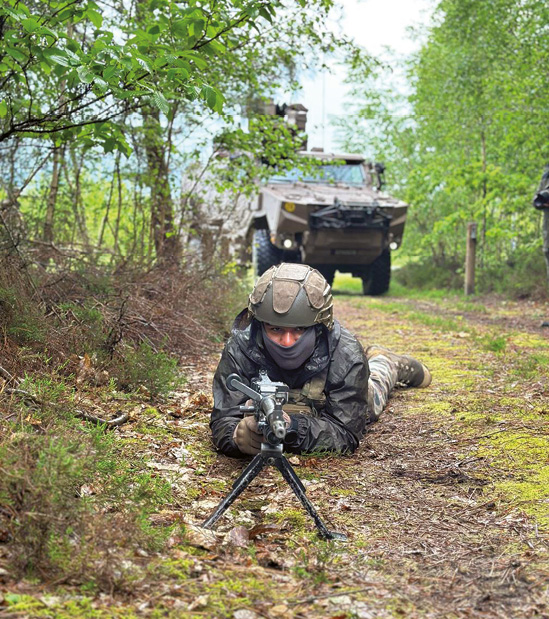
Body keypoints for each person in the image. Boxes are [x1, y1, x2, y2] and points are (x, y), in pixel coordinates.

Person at [210, 263, 432, 457]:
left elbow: (346, 433)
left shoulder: (346, 355)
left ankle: (386, 362)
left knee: (373, 396)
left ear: (318, 328)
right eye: (275, 329)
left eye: (299, 329)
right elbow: (224, 417)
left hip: (344, 393)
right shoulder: (241, 347)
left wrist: (292, 428)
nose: (287, 342)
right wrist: (236, 437)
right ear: (259, 325)